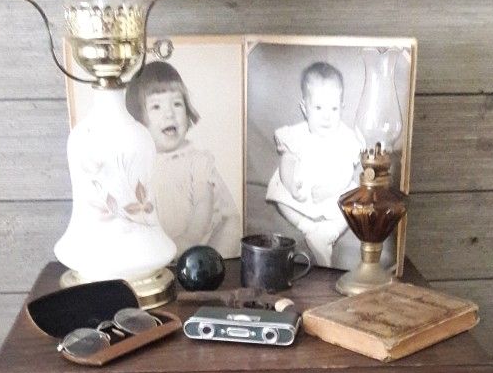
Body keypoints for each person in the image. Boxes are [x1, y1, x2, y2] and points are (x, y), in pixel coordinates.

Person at [126, 61, 240, 258]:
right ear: (139, 119)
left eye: (177, 104)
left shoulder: (197, 162)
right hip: (161, 252)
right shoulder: (137, 164)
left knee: (223, 245)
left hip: (202, 242)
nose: (169, 113)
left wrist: (189, 239)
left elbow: (203, 206)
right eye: (156, 106)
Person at [266, 61, 361, 267]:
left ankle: (329, 233)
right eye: (318, 107)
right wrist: (291, 184)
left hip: (334, 190)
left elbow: (346, 170)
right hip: (303, 189)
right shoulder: (297, 134)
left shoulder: (344, 137)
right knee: (278, 189)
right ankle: (307, 227)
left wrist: (332, 189)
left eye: (334, 108)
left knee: (354, 199)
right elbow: (287, 160)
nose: (327, 116)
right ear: (305, 108)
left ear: (342, 108)